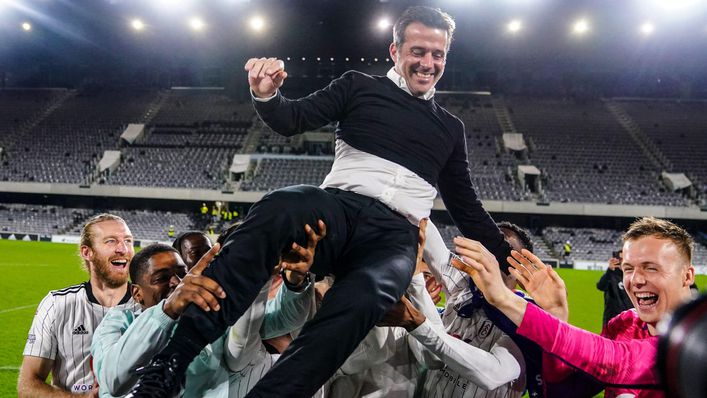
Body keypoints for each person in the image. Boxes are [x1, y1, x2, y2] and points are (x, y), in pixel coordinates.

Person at [129, 6, 512, 398]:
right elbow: (292, 119)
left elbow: (467, 207)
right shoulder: (358, 86)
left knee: (364, 299)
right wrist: (266, 94)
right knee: (281, 205)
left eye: (438, 54)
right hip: (339, 210)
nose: (428, 63)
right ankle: (171, 363)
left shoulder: (450, 128)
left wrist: (513, 261)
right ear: (395, 51)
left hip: (394, 236)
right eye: (418, 51)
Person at [450, 216, 697, 397]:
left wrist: (504, 298)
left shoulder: (697, 343)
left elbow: (616, 360)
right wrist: (556, 315)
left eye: (651, 267)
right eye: (628, 269)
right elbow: (563, 393)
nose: (636, 280)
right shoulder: (623, 324)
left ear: (687, 276)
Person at [18, 214, 141, 397]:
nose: (123, 249)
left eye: (128, 241)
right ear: (87, 252)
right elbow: (28, 386)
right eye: (111, 241)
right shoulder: (56, 304)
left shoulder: (152, 308)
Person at [596, 250, 633, 327]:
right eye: (620, 258)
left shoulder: (633, 276)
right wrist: (609, 270)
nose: (622, 261)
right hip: (612, 318)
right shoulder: (611, 274)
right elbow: (600, 286)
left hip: (630, 319)